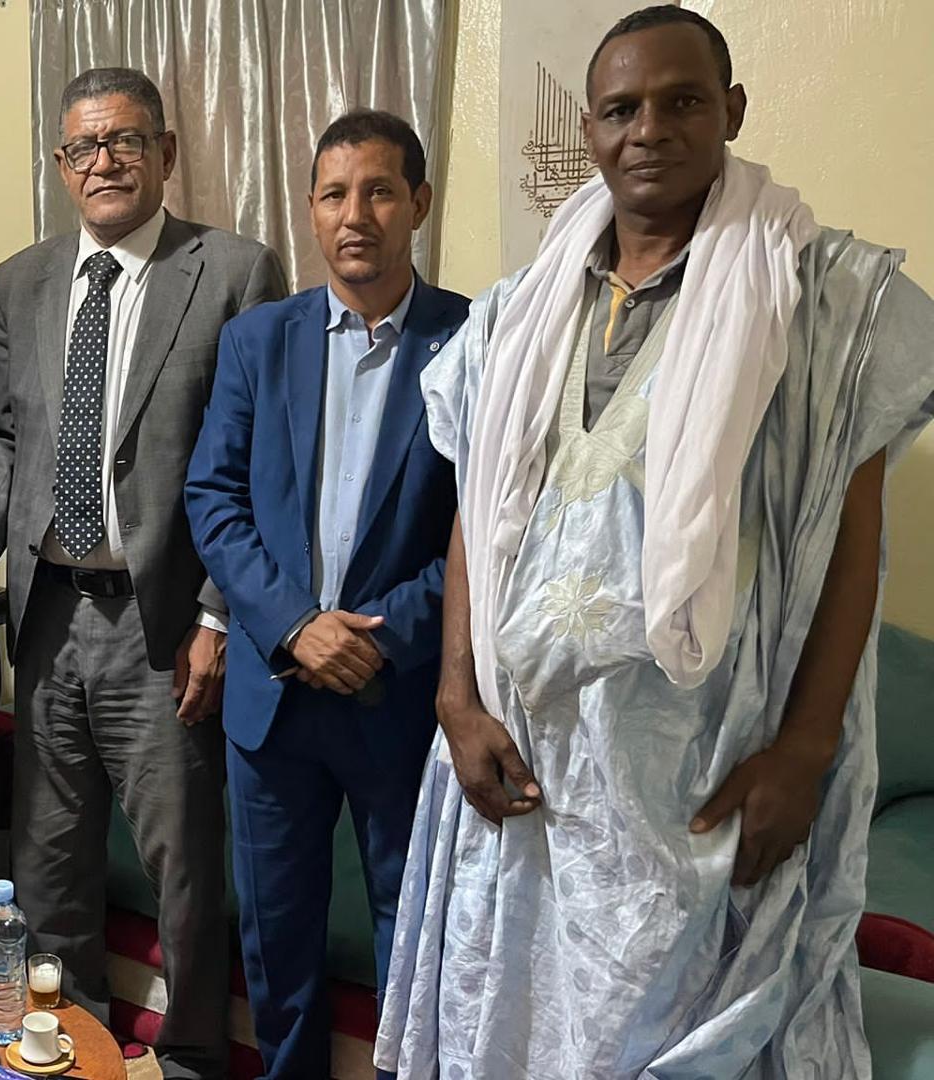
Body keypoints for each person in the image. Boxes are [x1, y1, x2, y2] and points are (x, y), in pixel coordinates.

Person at [376, 8, 934, 1077]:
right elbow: (476, 517)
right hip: (518, 776)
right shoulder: (518, 312)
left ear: (732, 110)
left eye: (681, 102)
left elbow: (849, 540)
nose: (649, 130)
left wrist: (806, 751)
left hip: (691, 790)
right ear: (588, 128)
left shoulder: (821, 300)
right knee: (508, 1031)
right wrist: (455, 697)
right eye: (621, 109)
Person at [0, 67, 287, 1078]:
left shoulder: (233, 272)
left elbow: (258, 462)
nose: (104, 162)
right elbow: (13, 446)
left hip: (165, 620)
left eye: (126, 141)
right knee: (47, 862)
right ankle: (73, 1043)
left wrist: (219, 617)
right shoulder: (16, 283)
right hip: (48, 616)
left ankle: (192, 1057)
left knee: (186, 869)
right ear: (61, 163)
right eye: (83, 147)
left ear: (165, 153)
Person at [184, 109, 465, 1079]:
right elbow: (213, 498)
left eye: (380, 191)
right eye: (335, 194)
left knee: (413, 939)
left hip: (401, 697)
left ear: (418, 203)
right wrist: (295, 624)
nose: (357, 215)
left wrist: (379, 636)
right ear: (310, 209)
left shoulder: (474, 339)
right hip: (273, 697)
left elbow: (492, 528)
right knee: (277, 941)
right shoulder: (259, 339)